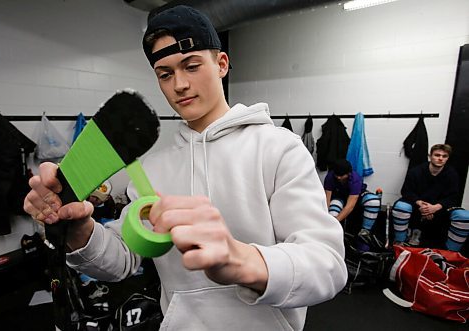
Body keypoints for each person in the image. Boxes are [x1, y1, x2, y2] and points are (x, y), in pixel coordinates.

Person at [23, 5, 347, 330]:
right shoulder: (152, 168)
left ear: (221, 64)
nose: (179, 84)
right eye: (165, 74)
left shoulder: (279, 149)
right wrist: (81, 232)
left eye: (191, 66)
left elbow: (327, 265)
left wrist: (240, 259)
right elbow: (121, 260)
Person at [392, 144, 469, 251]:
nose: (440, 158)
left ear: (447, 158)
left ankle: (451, 252)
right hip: (418, 206)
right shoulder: (416, 171)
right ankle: (400, 242)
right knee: (401, 206)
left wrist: (435, 207)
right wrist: (420, 204)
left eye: (444, 156)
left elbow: (453, 197)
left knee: (465, 216)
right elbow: (406, 191)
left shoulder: (452, 174)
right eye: (437, 155)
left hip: (440, 208)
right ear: (430, 156)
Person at [323, 159, 382, 249]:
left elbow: (350, 206)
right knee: (333, 206)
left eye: (342, 175)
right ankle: (330, 238)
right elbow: (327, 199)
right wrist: (327, 220)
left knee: (373, 201)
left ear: (348, 173)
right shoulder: (330, 176)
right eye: (337, 175)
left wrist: (336, 221)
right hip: (339, 196)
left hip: (356, 197)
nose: (339, 178)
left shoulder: (355, 179)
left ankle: (365, 232)